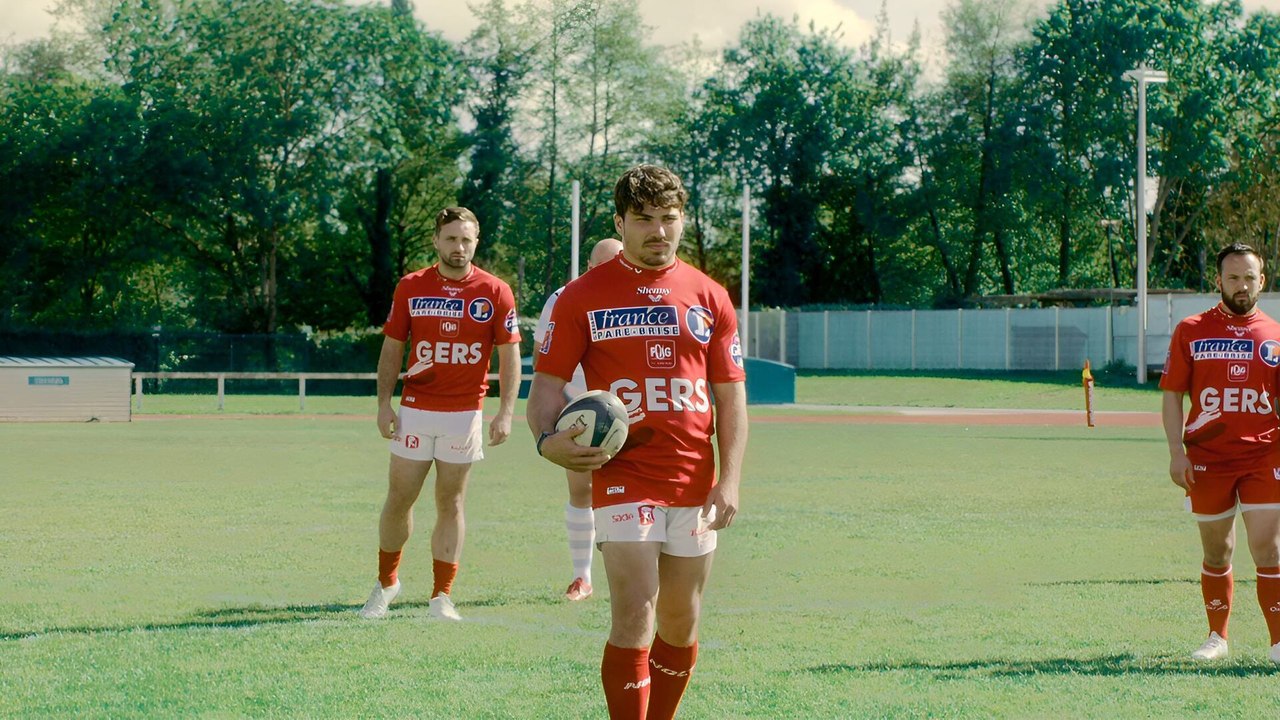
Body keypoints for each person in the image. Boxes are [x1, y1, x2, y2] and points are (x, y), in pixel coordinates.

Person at [527, 165, 748, 719]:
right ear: (620, 222)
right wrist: (546, 439)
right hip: (623, 474)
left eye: (669, 219)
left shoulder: (709, 295)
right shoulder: (582, 297)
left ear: (682, 221)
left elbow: (731, 399)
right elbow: (547, 389)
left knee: (682, 617)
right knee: (634, 609)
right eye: (644, 220)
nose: (658, 231)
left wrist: (731, 478)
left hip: (693, 478)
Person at [358, 206, 521, 621]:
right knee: (400, 498)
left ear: (476, 242)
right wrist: (383, 403)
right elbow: (392, 347)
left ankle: (441, 596)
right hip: (415, 410)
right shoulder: (411, 286)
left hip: (464, 414)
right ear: (436, 241)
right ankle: (386, 583)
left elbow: (510, 354)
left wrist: (504, 412)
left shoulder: (496, 290)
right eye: (450, 239)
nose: (458, 247)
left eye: (466, 240)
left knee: (451, 503)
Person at [1161, 241, 1280, 662]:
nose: (1242, 285)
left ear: (1262, 280)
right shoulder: (1191, 329)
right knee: (1218, 550)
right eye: (1233, 277)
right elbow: (1173, 394)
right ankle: (1217, 638)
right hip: (1208, 458)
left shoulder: (1276, 335)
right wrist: (1177, 452)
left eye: (1250, 277)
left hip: (1264, 456)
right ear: (1219, 280)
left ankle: (1278, 643)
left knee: (1269, 547)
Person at [533, 237, 624, 602]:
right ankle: (582, 577)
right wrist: (566, 408)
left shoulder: (641, 295)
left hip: (633, 408)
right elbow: (545, 361)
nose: (605, 272)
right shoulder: (562, 298)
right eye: (597, 265)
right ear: (587, 266)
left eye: (613, 263)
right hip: (581, 409)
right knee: (581, 490)